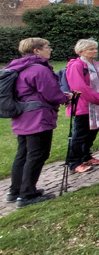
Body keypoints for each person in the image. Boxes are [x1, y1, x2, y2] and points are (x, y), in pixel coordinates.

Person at [6, 38, 70, 207]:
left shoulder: (17, 67)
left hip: (21, 115)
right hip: (37, 117)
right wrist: (65, 97)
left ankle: (15, 190)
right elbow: (51, 93)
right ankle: (27, 194)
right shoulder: (38, 69)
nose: (50, 49)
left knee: (23, 153)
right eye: (47, 47)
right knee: (37, 153)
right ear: (36, 50)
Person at [64, 39, 99, 173]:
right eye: (91, 49)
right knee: (80, 134)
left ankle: (86, 155)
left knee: (92, 132)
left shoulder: (96, 65)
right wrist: (98, 99)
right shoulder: (76, 66)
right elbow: (79, 87)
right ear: (81, 51)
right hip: (82, 105)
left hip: (96, 105)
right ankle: (74, 161)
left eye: (95, 48)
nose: (95, 51)